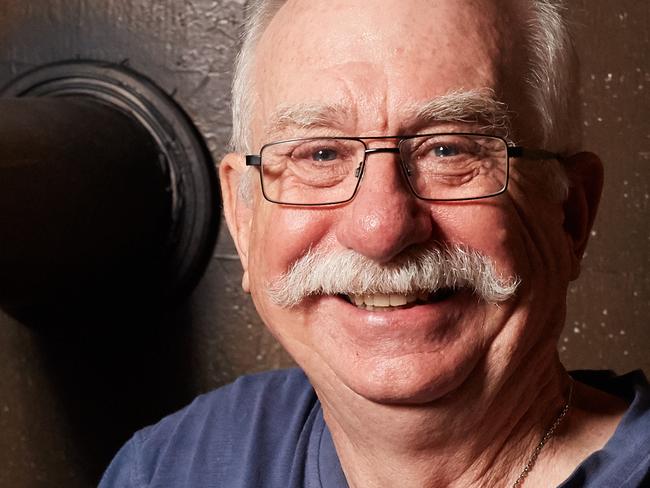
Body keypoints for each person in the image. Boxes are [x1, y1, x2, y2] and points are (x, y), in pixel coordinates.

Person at [100, 0, 650, 486]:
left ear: (571, 214)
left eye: (449, 150)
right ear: (243, 219)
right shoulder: (169, 468)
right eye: (320, 155)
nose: (381, 230)